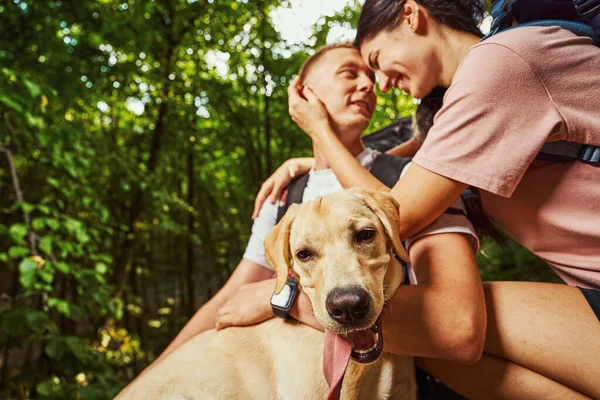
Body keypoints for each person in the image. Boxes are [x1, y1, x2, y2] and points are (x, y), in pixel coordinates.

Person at [254, 1, 600, 398]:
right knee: (430, 351)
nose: (380, 84)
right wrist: (307, 161)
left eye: (377, 61)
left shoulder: (503, 64)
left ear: (410, 15)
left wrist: (319, 130)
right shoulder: (459, 110)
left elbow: (396, 213)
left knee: (440, 321)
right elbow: (401, 162)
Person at [117, 42, 487, 398]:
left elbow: (454, 320)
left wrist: (282, 297)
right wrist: (144, 379)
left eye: (370, 77)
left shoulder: (411, 181)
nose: (367, 84)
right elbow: (228, 301)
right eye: (349, 73)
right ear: (304, 92)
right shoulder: (283, 197)